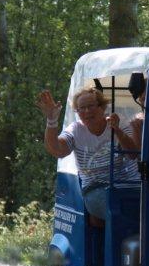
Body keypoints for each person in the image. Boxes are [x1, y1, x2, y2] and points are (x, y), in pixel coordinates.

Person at [36, 87, 140, 221]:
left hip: (130, 185)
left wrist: (117, 130)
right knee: (116, 208)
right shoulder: (76, 130)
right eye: (81, 108)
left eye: (91, 106)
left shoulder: (118, 123)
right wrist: (51, 120)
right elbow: (57, 150)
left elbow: (132, 154)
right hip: (96, 189)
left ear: (102, 107)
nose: (86, 112)